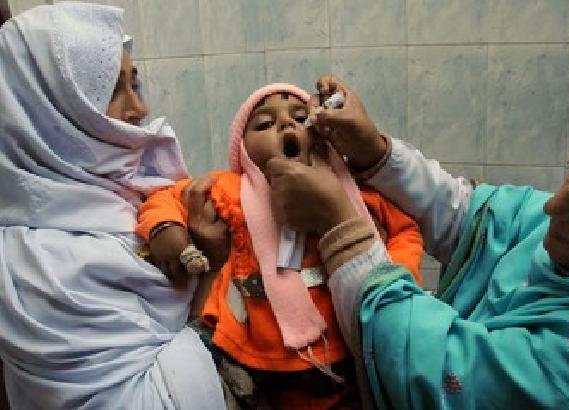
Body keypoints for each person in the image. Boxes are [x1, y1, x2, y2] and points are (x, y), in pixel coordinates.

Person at [265, 75, 569, 409]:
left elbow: (439, 371)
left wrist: (339, 226)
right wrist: (374, 152)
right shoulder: (555, 229)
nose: (555, 205)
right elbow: (470, 215)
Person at [136, 83, 424, 409]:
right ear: (243, 150)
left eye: (300, 118)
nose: (286, 124)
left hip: (347, 350)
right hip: (256, 359)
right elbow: (167, 197)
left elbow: (405, 230)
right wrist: (165, 227)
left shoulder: (351, 194)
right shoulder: (232, 190)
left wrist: (393, 276)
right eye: (264, 124)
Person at [0, 3, 230, 409]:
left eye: (134, 84)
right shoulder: (44, 265)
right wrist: (213, 266)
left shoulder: (121, 193)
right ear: (50, 114)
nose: (139, 109)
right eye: (111, 91)